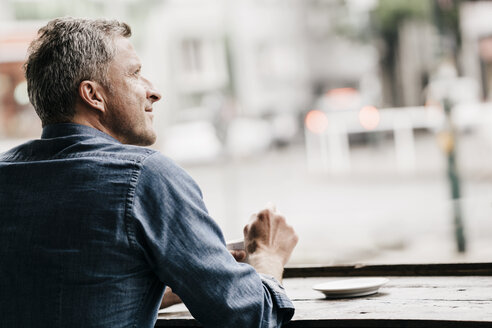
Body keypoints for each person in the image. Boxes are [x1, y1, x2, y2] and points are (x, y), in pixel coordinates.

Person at [0, 17, 298, 327]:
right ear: (93, 95)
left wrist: (176, 279)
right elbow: (250, 318)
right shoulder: (145, 176)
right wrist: (267, 256)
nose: (153, 92)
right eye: (135, 73)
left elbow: (59, 293)